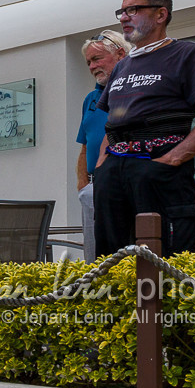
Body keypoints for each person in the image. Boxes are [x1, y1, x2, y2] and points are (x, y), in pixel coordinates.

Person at [94, 0, 195, 257]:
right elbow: (113, 122)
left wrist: (171, 160)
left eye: (133, 9)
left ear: (160, 14)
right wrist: (102, 168)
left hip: (159, 168)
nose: (123, 18)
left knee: (164, 256)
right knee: (110, 257)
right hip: (114, 172)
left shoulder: (188, 54)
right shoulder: (122, 66)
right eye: (122, 11)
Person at [76, 31, 128, 260]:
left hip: (122, 181)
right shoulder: (90, 99)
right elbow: (85, 146)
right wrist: (83, 186)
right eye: (88, 62)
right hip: (93, 188)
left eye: (97, 59)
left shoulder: (131, 90)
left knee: (122, 254)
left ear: (120, 54)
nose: (92, 66)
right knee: (94, 259)